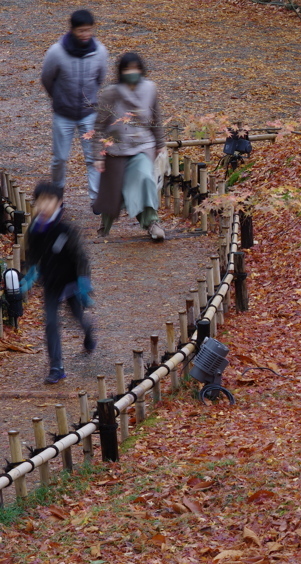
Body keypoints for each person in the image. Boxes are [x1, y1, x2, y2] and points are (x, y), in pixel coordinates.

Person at [21, 182, 96, 385]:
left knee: (77, 316)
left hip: (71, 282)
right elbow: (33, 254)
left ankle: (88, 331)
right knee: (51, 323)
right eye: (41, 201)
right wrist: (30, 272)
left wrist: (83, 281)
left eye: (49, 201)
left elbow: (80, 257)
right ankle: (56, 366)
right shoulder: (35, 229)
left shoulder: (65, 230)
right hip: (51, 283)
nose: (44, 206)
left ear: (59, 203)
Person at [92, 52, 166, 241]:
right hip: (116, 147)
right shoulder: (111, 93)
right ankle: (104, 227)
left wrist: (160, 144)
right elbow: (99, 125)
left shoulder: (150, 88)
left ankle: (152, 222)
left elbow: (155, 117)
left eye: (135, 68)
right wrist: (98, 156)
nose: (131, 72)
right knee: (114, 189)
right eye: (127, 68)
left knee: (144, 178)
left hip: (142, 145)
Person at [41, 9, 108, 205]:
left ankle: (96, 199)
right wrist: (59, 98)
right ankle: (58, 196)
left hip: (89, 113)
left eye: (89, 30)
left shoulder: (99, 51)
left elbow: (100, 77)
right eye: (81, 31)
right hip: (64, 114)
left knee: (93, 157)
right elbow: (47, 78)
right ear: (72, 30)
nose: (85, 35)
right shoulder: (57, 52)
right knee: (60, 158)